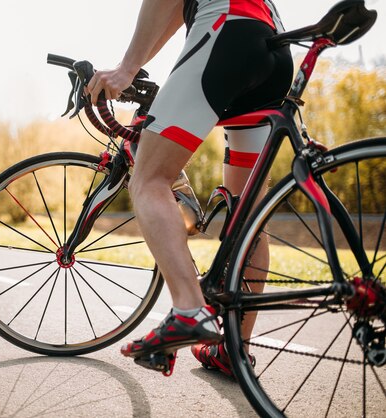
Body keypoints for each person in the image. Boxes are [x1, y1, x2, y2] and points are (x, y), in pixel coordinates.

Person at [87, 0, 293, 375]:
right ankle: (234, 351)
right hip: (274, 51)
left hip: (228, 32)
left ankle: (187, 308)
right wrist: (131, 67)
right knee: (246, 216)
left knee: (149, 179)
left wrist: (126, 68)